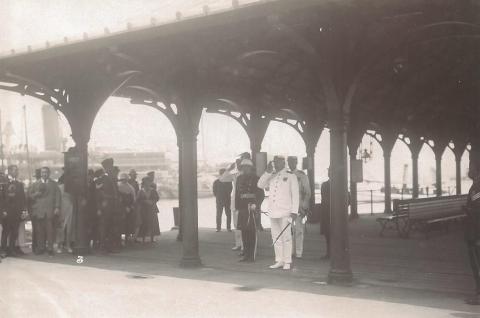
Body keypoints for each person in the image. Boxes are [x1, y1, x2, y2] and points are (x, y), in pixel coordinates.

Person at [258, 155, 299, 270]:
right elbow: (260, 185)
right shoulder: (272, 176)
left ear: (283, 162)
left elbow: (295, 195)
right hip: (273, 211)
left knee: (286, 237)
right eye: (274, 162)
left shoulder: (291, 176)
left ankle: (287, 261)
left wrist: (294, 212)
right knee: (275, 237)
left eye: (278, 162)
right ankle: (279, 260)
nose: (275, 164)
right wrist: (267, 172)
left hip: (286, 211)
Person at [220, 152, 251, 252]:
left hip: (244, 203)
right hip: (235, 202)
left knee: (244, 224)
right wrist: (229, 169)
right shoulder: (234, 174)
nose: (238, 164)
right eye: (237, 162)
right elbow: (222, 179)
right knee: (236, 224)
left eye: (240, 162)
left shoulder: (248, 174)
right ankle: (238, 244)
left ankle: (244, 245)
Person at [235, 159, 264, 262]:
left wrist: (256, 205)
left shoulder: (257, 179)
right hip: (242, 207)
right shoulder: (239, 178)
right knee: (244, 231)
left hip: (252, 207)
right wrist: (237, 208)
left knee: (251, 232)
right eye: (243, 167)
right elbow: (237, 194)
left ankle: (251, 255)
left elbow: (261, 194)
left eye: (247, 167)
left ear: (251, 168)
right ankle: (246, 254)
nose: (245, 169)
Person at [29, 167, 61, 256]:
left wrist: (57, 207)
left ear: (49, 173)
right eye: (43, 172)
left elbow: (58, 196)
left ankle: (50, 248)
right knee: (40, 231)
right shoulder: (35, 184)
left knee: (50, 231)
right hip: (39, 210)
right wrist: (36, 194)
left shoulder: (54, 184)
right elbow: (30, 196)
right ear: (41, 173)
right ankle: (41, 248)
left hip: (50, 210)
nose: (44, 174)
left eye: (46, 172)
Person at [287, 156, 311, 259]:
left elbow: (307, 193)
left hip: (299, 206)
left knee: (299, 230)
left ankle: (298, 252)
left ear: (296, 162)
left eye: (293, 162)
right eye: (289, 162)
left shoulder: (301, 175)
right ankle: (291, 251)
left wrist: (304, 207)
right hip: (288, 206)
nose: (291, 163)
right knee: (289, 230)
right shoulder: (286, 175)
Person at [464, 150, 480, 305]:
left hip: (476, 233)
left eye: (471, 165)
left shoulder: (477, 187)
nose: (469, 169)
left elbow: (477, 210)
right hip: (475, 232)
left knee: (477, 263)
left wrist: (466, 209)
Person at [1, 165, 26, 257]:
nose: (16, 172)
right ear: (10, 171)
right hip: (6, 212)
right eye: (14, 170)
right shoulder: (3, 183)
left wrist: (23, 210)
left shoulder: (20, 184)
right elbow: (1, 199)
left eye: (17, 170)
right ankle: (3, 250)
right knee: (6, 231)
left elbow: (23, 198)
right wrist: (3, 210)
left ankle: (11, 250)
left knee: (15, 232)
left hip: (16, 212)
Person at [136, 177, 160, 243]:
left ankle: (152, 238)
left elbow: (157, 198)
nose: (147, 184)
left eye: (148, 182)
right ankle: (143, 238)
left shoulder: (153, 190)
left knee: (152, 223)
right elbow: (137, 200)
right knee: (144, 223)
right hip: (143, 209)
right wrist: (144, 201)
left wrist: (152, 201)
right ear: (144, 184)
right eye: (146, 183)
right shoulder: (141, 191)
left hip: (151, 209)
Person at [57, 174, 74, 253]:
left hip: (70, 209)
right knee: (61, 228)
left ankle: (68, 245)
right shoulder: (60, 188)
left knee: (69, 229)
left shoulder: (72, 188)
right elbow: (57, 200)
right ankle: (59, 246)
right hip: (62, 209)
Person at [118, 173, 136, 244]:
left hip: (128, 207)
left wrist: (129, 206)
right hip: (121, 208)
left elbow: (133, 199)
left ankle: (126, 238)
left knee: (128, 223)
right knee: (121, 224)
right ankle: (121, 238)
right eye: (123, 179)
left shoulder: (130, 187)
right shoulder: (118, 186)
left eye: (125, 179)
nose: (124, 180)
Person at [320, 173, 331, 260]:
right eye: (329, 171)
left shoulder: (325, 185)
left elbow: (348, 198)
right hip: (327, 213)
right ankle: (329, 253)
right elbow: (324, 198)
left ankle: (333, 253)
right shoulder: (324, 185)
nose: (329, 173)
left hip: (335, 214)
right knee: (328, 235)